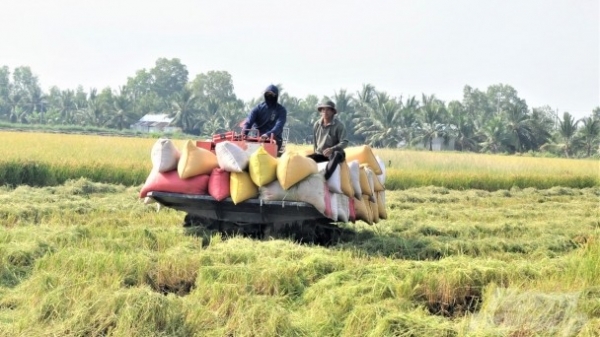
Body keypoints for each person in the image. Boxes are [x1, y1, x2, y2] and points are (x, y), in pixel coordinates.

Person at [307, 99, 349, 179]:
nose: (325, 112)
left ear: (333, 112)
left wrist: (332, 149)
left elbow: (345, 142)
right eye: (323, 110)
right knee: (307, 159)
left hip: (334, 154)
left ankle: (325, 178)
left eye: (328, 110)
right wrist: (315, 154)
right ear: (320, 112)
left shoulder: (339, 125)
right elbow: (315, 144)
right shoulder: (317, 125)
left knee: (337, 154)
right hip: (321, 154)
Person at [242, 84, 287, 155]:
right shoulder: (257, 109)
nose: (270, 97)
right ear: (265, 95)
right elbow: (248, 122)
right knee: (245, 144)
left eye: (272, 95)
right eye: (268, 94)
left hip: (273, 139)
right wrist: (244, 133)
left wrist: (267, 135)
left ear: (276, 96)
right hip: (257, 138)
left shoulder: (281, 110)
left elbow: (279, 126)